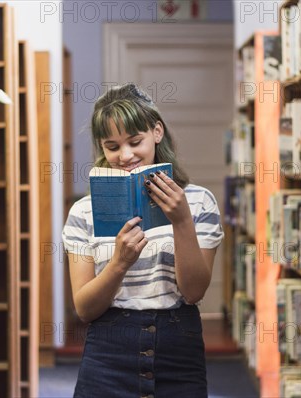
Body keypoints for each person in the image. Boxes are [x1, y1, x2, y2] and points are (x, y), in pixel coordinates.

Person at [62, 83, 223, 398]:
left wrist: (182, 222)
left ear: (157, 132)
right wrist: (120, 263)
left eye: (135, 141)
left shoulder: (200, 202)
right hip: (107, 352)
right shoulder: (83, 212)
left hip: (178, 348)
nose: (125, 156)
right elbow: (84, 308)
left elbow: (193, 292)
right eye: (111, 146)